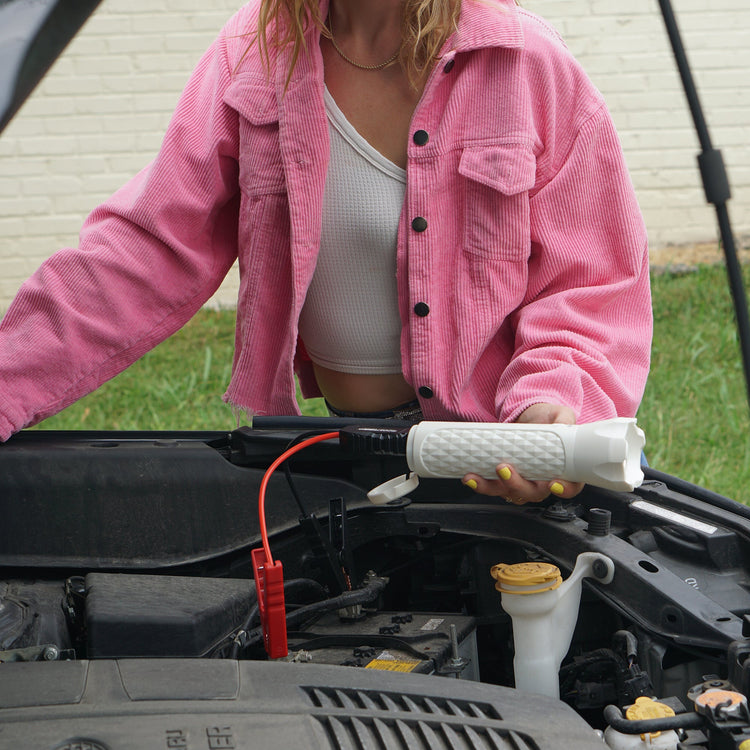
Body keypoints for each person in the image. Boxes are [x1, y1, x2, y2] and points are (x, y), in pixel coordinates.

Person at [0, 0, 652, 505]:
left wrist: (547, 413)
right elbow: (143, 251)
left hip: (494, 453)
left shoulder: (523, 63)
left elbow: (591, 285)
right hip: (334, 456)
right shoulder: (255, 55)